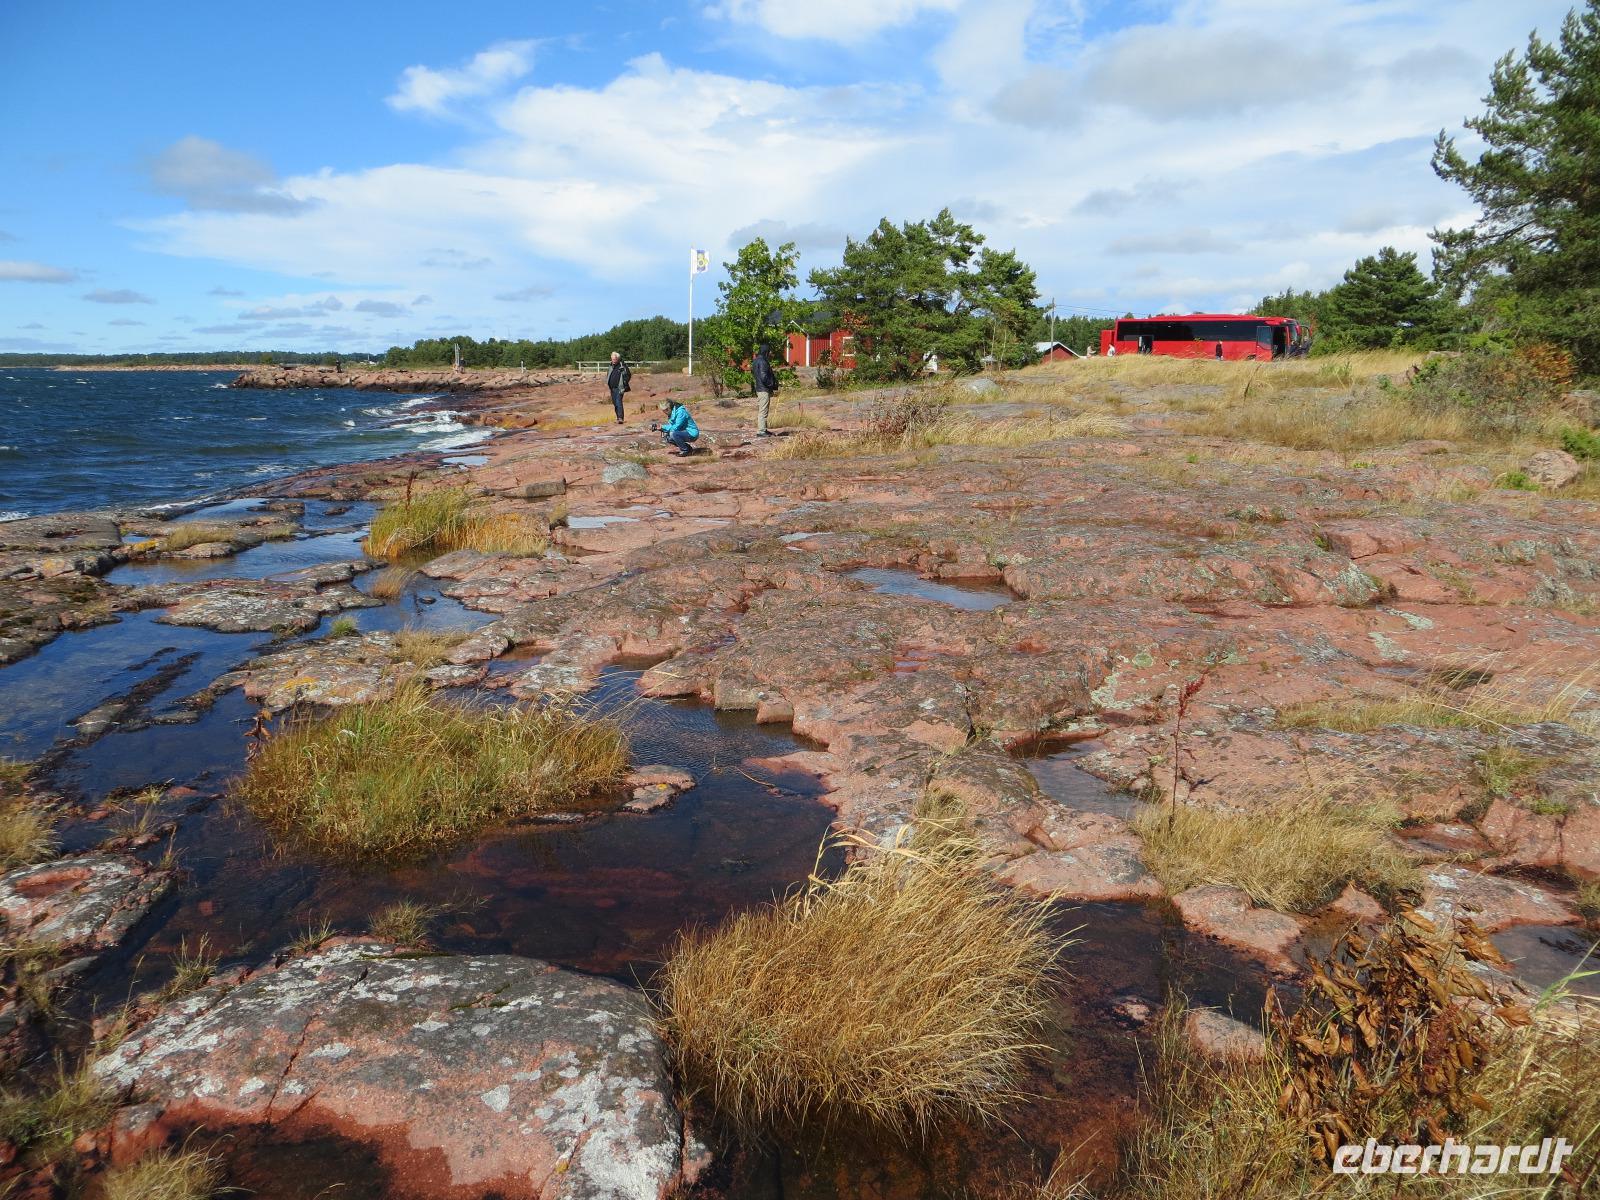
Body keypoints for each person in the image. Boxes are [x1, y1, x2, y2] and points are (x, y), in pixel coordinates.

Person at [750, 342, 778, 437]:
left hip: (760, 388)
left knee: (764, 410)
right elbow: (763, 377)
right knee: (763, 411)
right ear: (766, 352)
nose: (770, 354)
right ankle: (761, 431)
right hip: (763, 389)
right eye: (769, 352)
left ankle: (764, 429)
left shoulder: (756, 360)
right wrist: (772, 384)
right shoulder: (763, 361)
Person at [605, 351, 631, 425]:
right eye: (612, 359)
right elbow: (608, 374)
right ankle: (618, 418)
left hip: (620, 388)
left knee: (618, 401)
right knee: (615, 403)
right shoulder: (610, 366)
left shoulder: (622, 366)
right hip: (612, 388)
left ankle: (620, 418)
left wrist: (624, 382)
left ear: (618, 359)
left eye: (614, 359)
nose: (613, 360)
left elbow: (628, 375)